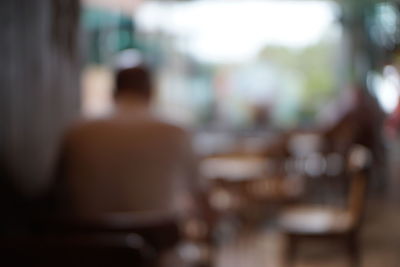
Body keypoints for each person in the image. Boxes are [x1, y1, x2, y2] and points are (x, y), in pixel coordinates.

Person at [54, 63, 204, 221]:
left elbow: (57, 193)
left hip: (91, 239)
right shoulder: (176, 131)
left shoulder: (78, 131)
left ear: (113, 92)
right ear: (151, 92)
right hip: (159, 238)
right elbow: (200, 193)